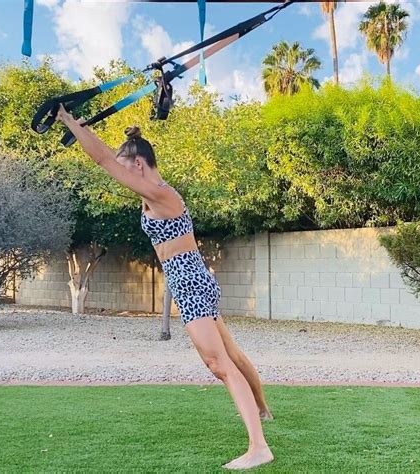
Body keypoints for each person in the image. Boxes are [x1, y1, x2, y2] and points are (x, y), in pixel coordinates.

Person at [55, 104, 274, 470]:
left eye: (127, 169)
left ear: (138, 165)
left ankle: (258, 447)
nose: (122, 175)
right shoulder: (154, 194)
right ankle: (263, 409)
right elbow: (109, 157)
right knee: (231, 354)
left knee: (217, 363)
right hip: (192, 276)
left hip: (188, 280)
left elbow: (103, 159)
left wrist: (68, 121)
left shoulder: (161, 194)